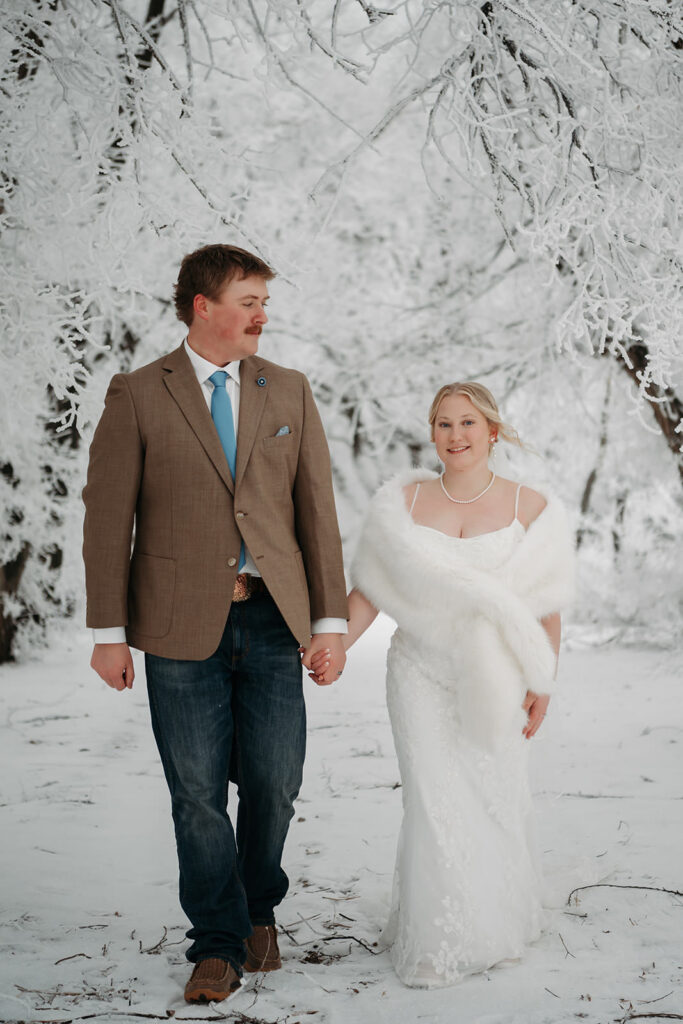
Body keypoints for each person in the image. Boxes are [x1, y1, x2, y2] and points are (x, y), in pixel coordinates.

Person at [82, 244, 348, 1003]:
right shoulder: (138, 393)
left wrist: (326, 623)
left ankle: (258, 903)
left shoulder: (288, 389)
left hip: (273, 618)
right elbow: (108, 520)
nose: (264, 314)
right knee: (196, 792)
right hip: (174, 625)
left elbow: (315, 513)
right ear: (205, 306)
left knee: (275, 780)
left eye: (265, 301)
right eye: (250, 301)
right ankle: (219, 944)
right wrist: (107, 632)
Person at [309, 382, 574, 988]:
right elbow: (371, 590)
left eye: (468, 423)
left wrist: (543, 678)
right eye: (444, 424)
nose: (456, 436)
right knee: (432, 800)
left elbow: (546, 605)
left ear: (492, 431)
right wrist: (335, 646)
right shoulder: (402, 503)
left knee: (493, 793)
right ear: (432, 433)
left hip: (498, 675)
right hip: (418, 675)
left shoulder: (527, 507)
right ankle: (438, 937)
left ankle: (497, 920)